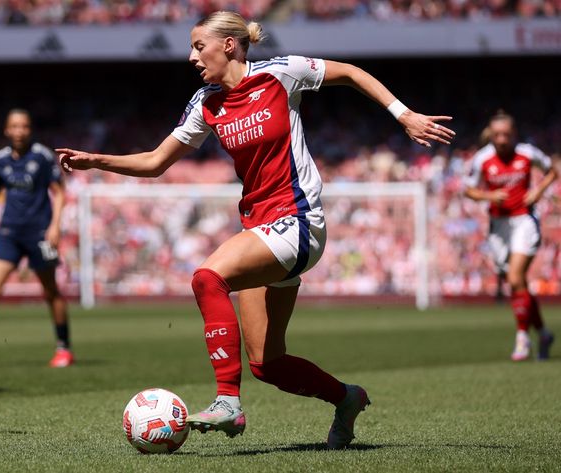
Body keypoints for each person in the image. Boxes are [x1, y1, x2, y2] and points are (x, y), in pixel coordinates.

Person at [57, 11, 455, 449]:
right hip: (264, 227)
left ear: (228, 45)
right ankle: (347, 399)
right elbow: (155, 162)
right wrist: (98, 161)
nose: (191, 56)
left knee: (207, 278)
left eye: (198, 46)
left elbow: (351, 73)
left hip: (299, 221)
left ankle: (227, 401)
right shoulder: (206, 103)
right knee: (267, 363)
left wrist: (403, 114)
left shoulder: (281, 74)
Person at [0, 109, 72, 368]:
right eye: (14, 126)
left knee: (50, 291)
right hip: (9, 233)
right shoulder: (0, 160)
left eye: (24, 126)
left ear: (30, 129)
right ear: (6, 130)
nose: (19, 131)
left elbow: (59, 192)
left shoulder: (43, 155)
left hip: (39, 232)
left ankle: (63, 347)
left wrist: (55, 226)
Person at [465, 111, 555, 361]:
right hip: (498, 226)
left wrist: (538, 191)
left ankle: (522, 338)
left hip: (524, 220)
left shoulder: (528, 153)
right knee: (517, 284)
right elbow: (469, 190)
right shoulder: (482, 158)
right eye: (497, 135)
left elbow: (551, 171)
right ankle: (544, 333)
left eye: (506, 134)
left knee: (516, 277)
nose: (502, 139)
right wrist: (489, 196)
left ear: (514, 134)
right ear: (491, 136)